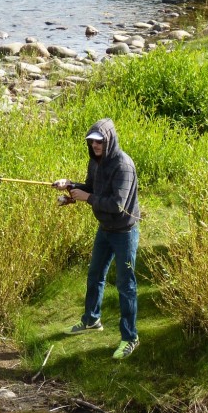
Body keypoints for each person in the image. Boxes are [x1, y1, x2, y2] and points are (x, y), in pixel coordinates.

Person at [52, 118, 141, 360]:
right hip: (105, 229)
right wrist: (70, 187)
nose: (95, 146)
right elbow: (91, 188)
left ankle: (130, 338)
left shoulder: (124, 166)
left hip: (124, 232)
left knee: (126, 285)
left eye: (99, 142)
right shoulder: (95, 162)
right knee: (95, 275)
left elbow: (117, 205)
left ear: (109, 140)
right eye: (91, 142)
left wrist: (86, 197)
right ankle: (91, 320)